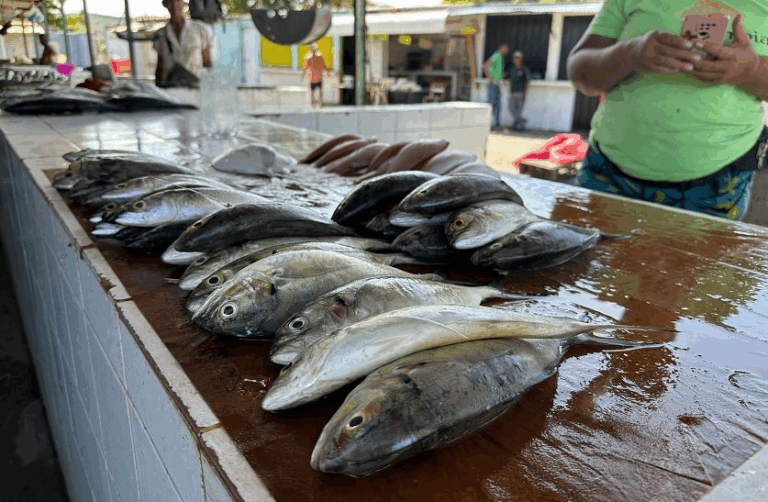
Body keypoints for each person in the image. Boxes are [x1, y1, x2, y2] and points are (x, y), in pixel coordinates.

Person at [567, 2, 768, 221]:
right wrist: (630, 53)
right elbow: (580, 74)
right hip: (608, 173)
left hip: (717, 188)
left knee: (694, 257)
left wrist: (751, 69)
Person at [154, 0, 213, 88]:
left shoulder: (200, 29)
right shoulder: (161, 34)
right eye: (170, 2)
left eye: (177, 1)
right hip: (171, 89)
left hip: (195, 88)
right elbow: (160, 66)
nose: (174, 5)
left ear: (182, 3)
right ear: (165, 5)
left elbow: (207, 63)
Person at [483, 43, 508, 130]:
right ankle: (486, 124)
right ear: (501, 47)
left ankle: (496, 124)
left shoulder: (501, 57)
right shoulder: (496, 55)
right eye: (505, 48)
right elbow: (486, 66)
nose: (506, 50)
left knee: (498, 105)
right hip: (493, 84)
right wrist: (489, 78)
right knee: (491, 104)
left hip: (498, 84)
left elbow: (495, 70)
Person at [509, 50, 531, 131]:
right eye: (515, 58)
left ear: (521, 59)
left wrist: (524, 94)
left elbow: (526, 83)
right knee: (511, 109)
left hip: (520, 93)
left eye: (517, 58)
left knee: (518, 111)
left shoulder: (524, 70)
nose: (516, 60)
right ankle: (523, 121)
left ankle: (517, 127)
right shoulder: (512, 69)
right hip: (512, 92)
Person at [302, 43, 328, 107]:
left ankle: (315, 102)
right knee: (317, 90)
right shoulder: (317, 56)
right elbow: (323, 66)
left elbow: (306, 67)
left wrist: (303, 74)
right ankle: (318, 102)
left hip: (315, 77)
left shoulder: (310, 57)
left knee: (315, 90)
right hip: (316, 77)